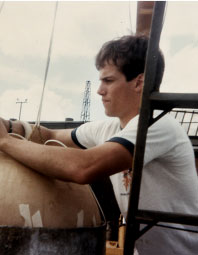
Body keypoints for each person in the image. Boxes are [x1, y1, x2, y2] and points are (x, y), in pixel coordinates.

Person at [0, 35, 198, 255]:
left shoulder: (159, 125)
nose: (99, 90)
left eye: (109, 81)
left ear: (138, 82)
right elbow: (49, 134)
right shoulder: (109, 129)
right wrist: (9, 126)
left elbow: (83, 168)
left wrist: (4, 141)